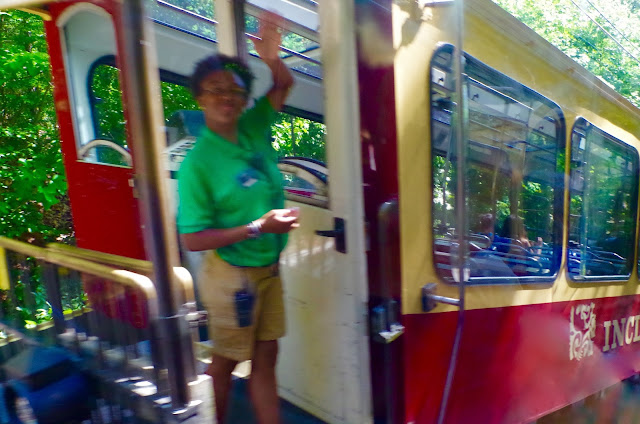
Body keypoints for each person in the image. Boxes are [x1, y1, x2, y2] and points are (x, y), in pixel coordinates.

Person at [177, 11, 296, 424]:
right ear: (199, 98)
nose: (226, 97)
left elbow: (283, 85)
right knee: (225, 364)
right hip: (232, 278)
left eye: (234, 90)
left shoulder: (253, 126)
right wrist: (260, 226)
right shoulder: (198, 164)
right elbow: (192, 238)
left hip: (268, 270)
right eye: (215, 89)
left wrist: (271, 58)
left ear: (244, 98)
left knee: (266, 358)